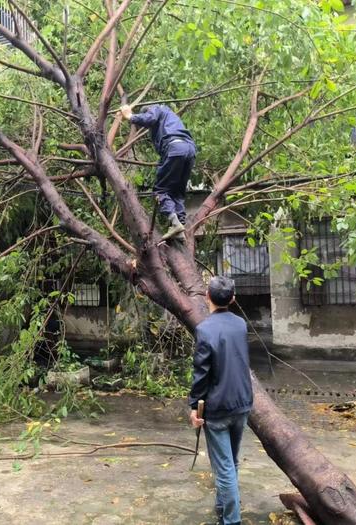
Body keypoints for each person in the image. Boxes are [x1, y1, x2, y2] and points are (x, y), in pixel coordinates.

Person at [188, 276, 253, 525]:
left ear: (207, 297)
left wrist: (194, 406)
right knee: (231, 461)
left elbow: (201, 373)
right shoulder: (240, 324)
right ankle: (221, 507)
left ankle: (232, 520)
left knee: (224, 467)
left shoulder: (205, 329)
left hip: (217, 409)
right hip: (242, 403)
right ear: (233, 299)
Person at [119, 104, 196, 241]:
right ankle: (180, 227)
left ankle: (174, 222)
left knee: (160, 191)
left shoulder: (157, 109)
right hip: (190, 151)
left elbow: (150, 118)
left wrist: (130, 116)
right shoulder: (171, 118)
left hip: (175, 148)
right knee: (177, 192)